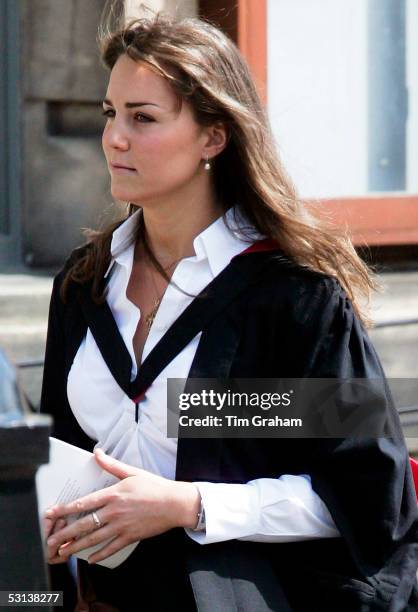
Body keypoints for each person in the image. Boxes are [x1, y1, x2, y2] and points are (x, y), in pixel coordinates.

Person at [39, 10, 418, 612]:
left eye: (144, 118)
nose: (114, 137)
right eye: (111, 114)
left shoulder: (288, 300)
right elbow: (55, 460)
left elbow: (369, 498)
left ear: (214, 137)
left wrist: (189, 505)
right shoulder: (85, 284)